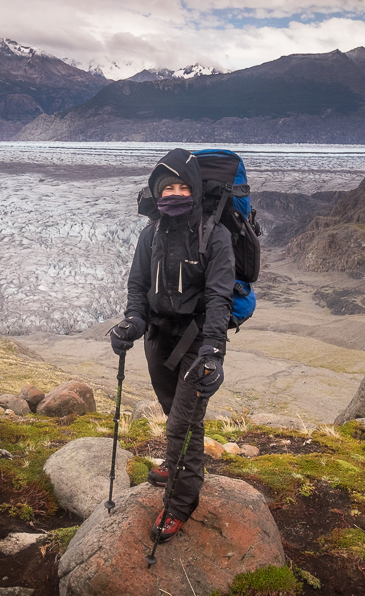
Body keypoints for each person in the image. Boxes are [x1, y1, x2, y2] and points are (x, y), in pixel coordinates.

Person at [110, 148, 235, 542]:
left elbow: (219, 297)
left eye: (183, 186)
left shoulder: (215, 236)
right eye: (168, 187)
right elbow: (138, 285)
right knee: (171, 412)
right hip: (158, 338)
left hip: (197, 341)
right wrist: (133, 321)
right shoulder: (152, 234)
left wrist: (214, 350)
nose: (175, 193)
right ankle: (176, 461)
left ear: (195, 189)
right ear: (157, 192)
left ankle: (179, 505)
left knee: (184, 423)